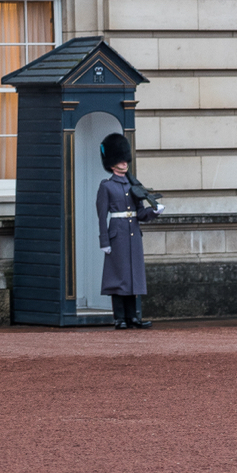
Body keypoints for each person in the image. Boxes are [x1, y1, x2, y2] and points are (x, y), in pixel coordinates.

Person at [97, 132, 164, 330]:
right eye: (120, 160)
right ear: (112, 164)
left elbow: (140, 214)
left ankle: (133, 317)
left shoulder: (134, 185)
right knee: (118, 276)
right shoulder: (107, 186)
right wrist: (104, 241)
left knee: (133, 275)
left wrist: (154, 212)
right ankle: (120, 318)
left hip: (133, 234)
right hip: (117, 235)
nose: (124, 163)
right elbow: (101, 216)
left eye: (125, 159)